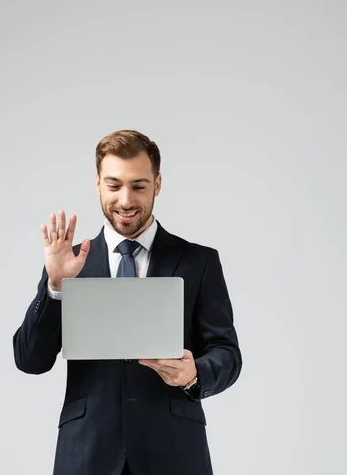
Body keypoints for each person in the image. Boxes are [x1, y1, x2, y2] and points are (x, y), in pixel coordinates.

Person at [13, 129, 242, 475]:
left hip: (175, 453)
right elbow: (30, 359)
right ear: (97, 183)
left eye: (138, 186)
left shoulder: (199, 262)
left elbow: (227, 353)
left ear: (158, 184)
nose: (125, 201)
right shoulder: (70, 262)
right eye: (114, 185)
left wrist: (195, 372)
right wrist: (57, 286)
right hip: (87, 454)